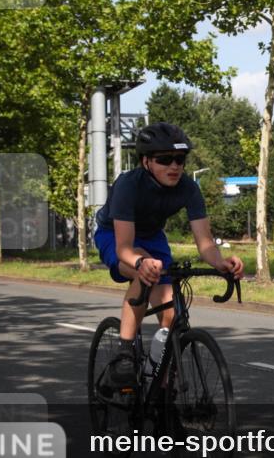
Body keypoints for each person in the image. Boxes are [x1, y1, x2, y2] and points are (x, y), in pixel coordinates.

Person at [94, 122, 244, 385]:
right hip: (115, 235)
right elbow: (125, 248)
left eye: (180, 159)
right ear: (145, 161)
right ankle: (125, 352)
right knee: (146, 272)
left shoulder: (188, 187)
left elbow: (205, 241)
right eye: (164, 160)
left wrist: (221, 262)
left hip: (153, 237)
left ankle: (158, 382)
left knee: (172, 314)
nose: (174, 166)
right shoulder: (128, 185)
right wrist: (140, 262)